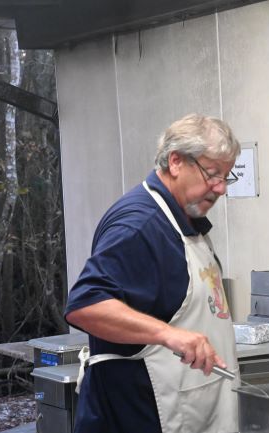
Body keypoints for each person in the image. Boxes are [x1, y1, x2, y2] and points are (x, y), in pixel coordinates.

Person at [64, 113, 241, 433]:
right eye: (212, 174)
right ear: (176, 162)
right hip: (141, 416)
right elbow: (85, 305)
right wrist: (169, 334)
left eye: (226, 177)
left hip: (188, 412)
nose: (220, 188)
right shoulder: (140, 225)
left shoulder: (187, 222)